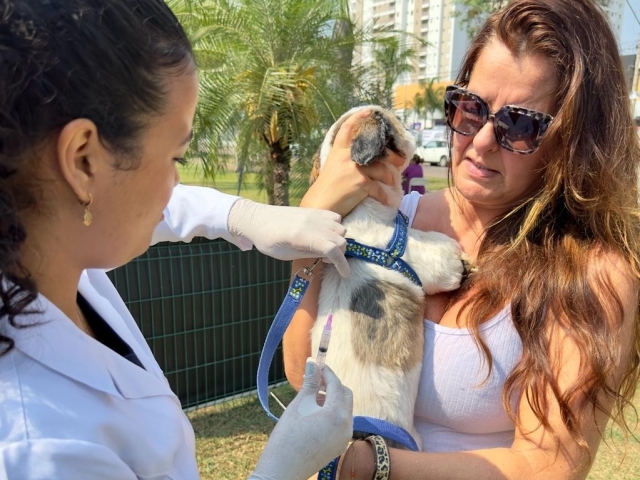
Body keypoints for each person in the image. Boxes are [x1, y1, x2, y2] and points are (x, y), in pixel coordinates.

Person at [0, 1, 365, 478]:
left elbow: (151, 206)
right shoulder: (38, 447)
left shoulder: (44, 244)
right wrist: (282, 468)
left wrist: (241, 215)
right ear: (83, 159)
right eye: (177, 156)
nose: (175, 184)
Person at [283, 0, 640, 478]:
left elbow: (549, 464)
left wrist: (373, 467)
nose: (482, 140)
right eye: (470, 108)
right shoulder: (392, 220)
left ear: (571, 143)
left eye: (519, 125)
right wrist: (310, 225)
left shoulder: (590, 271)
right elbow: (301, 373)